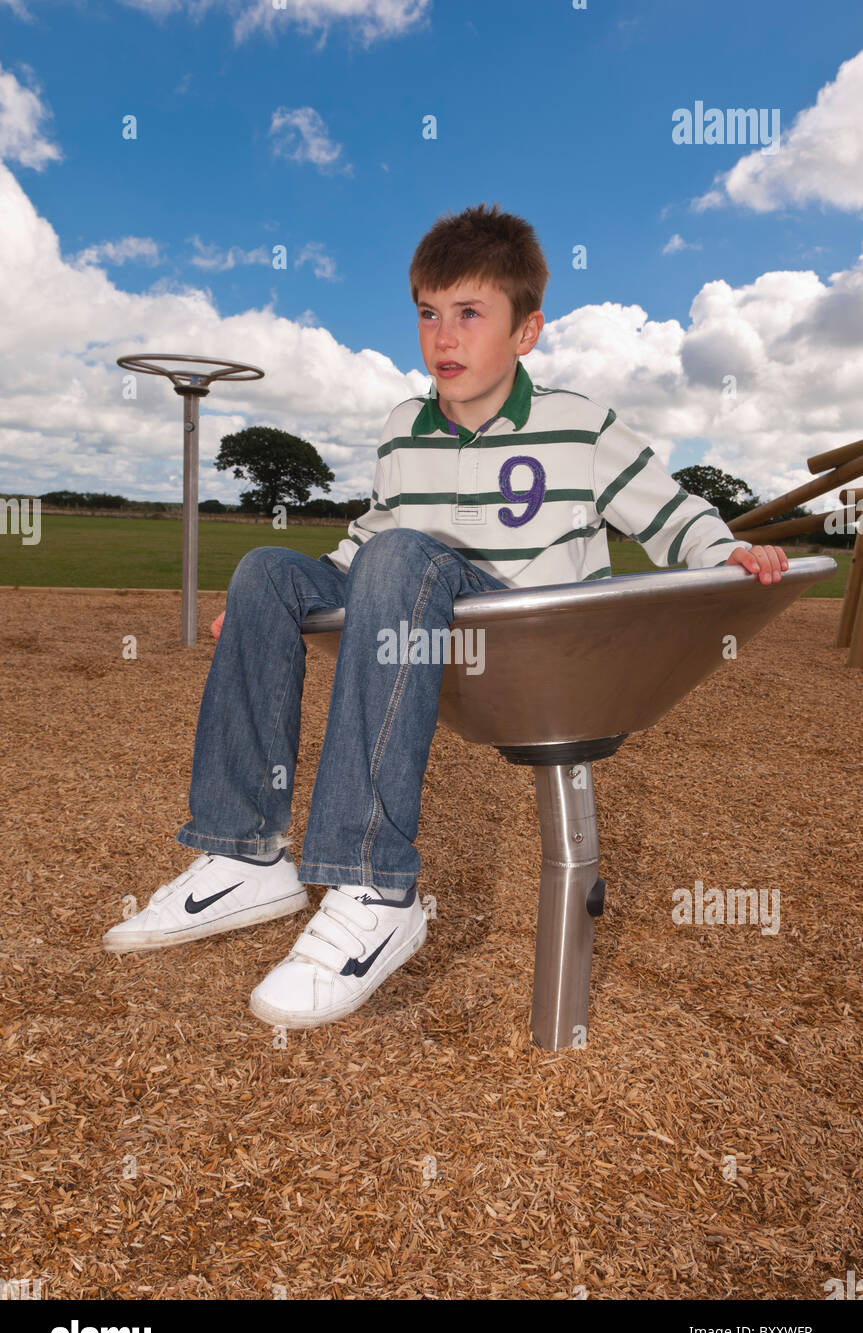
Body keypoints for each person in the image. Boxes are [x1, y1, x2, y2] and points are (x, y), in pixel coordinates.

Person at [102, 202, 788, 1028]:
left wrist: (727, 553)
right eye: (428, 314)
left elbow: (672, 515)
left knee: (399, 554)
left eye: (470, 314)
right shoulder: (404, 430)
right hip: (420, 634)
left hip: (533, 651)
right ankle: (243, 855)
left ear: (525, 332)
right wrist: (272, 607)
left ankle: (373, 890)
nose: (444, 338)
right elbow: (363, 540)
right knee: (264, 571)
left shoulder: (577, 426)